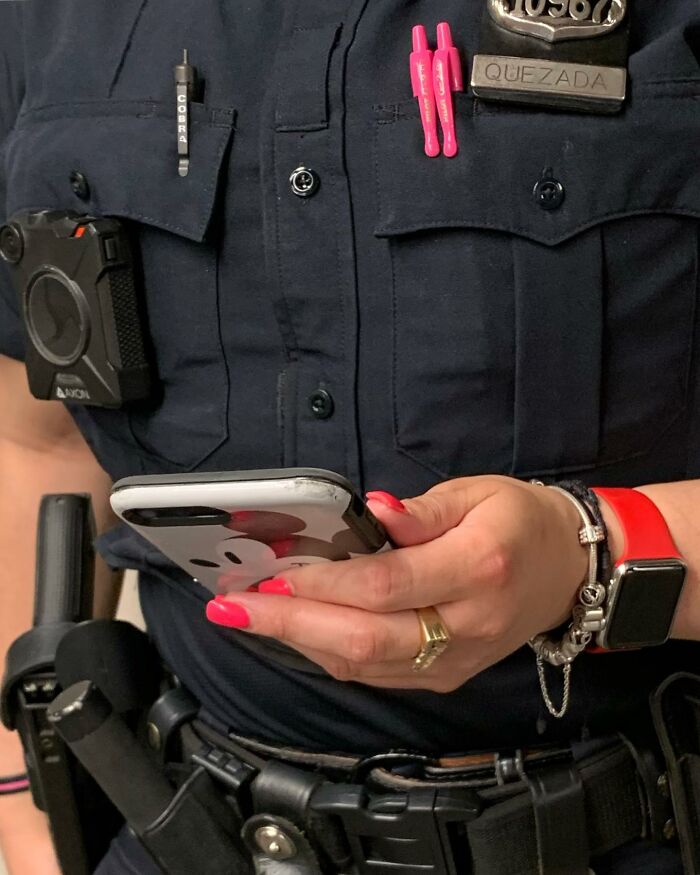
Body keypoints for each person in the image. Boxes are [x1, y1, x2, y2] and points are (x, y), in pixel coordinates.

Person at [1, 1, 699, 872]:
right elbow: (43, 440)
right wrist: (25, 809)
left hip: (628, 825)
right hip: (176, 828)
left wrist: (588, 557)